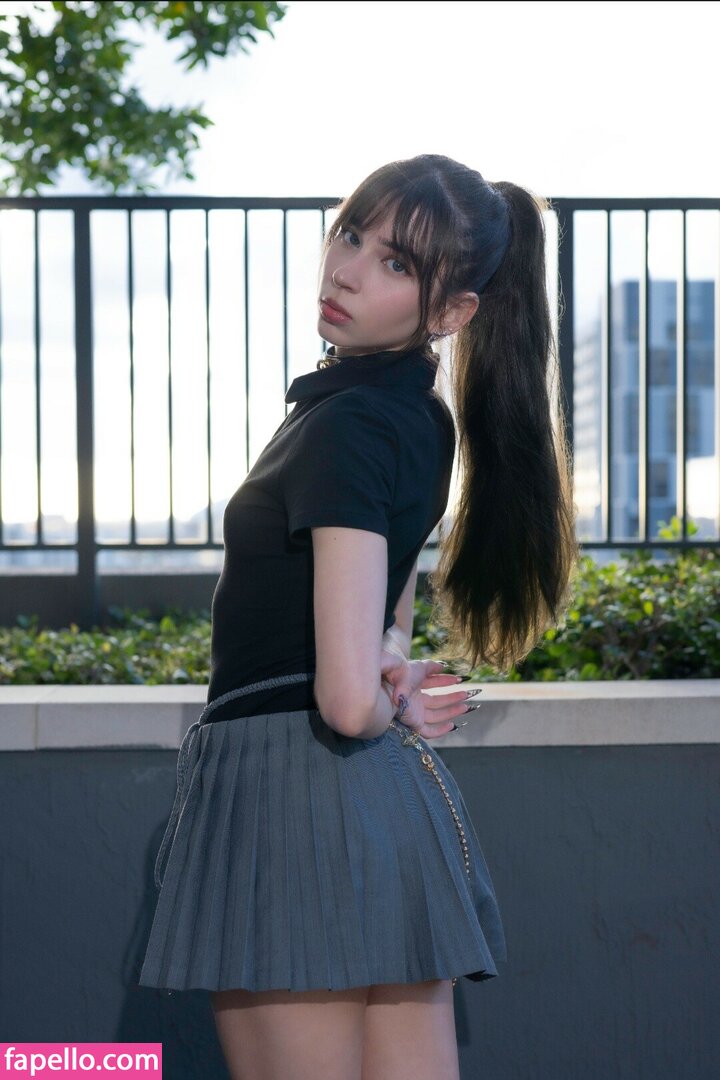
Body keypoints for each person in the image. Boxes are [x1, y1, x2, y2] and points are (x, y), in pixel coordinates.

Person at [138, 154, 578, 1079]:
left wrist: (376, 699)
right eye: (351, 235)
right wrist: (392, 680)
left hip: (286, 797)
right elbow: (386, 622)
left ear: (453, 311)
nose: (345, 270)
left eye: (396, 263)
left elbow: (346, 701)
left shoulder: (344, 425)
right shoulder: (414, 416)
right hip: (372, 808)